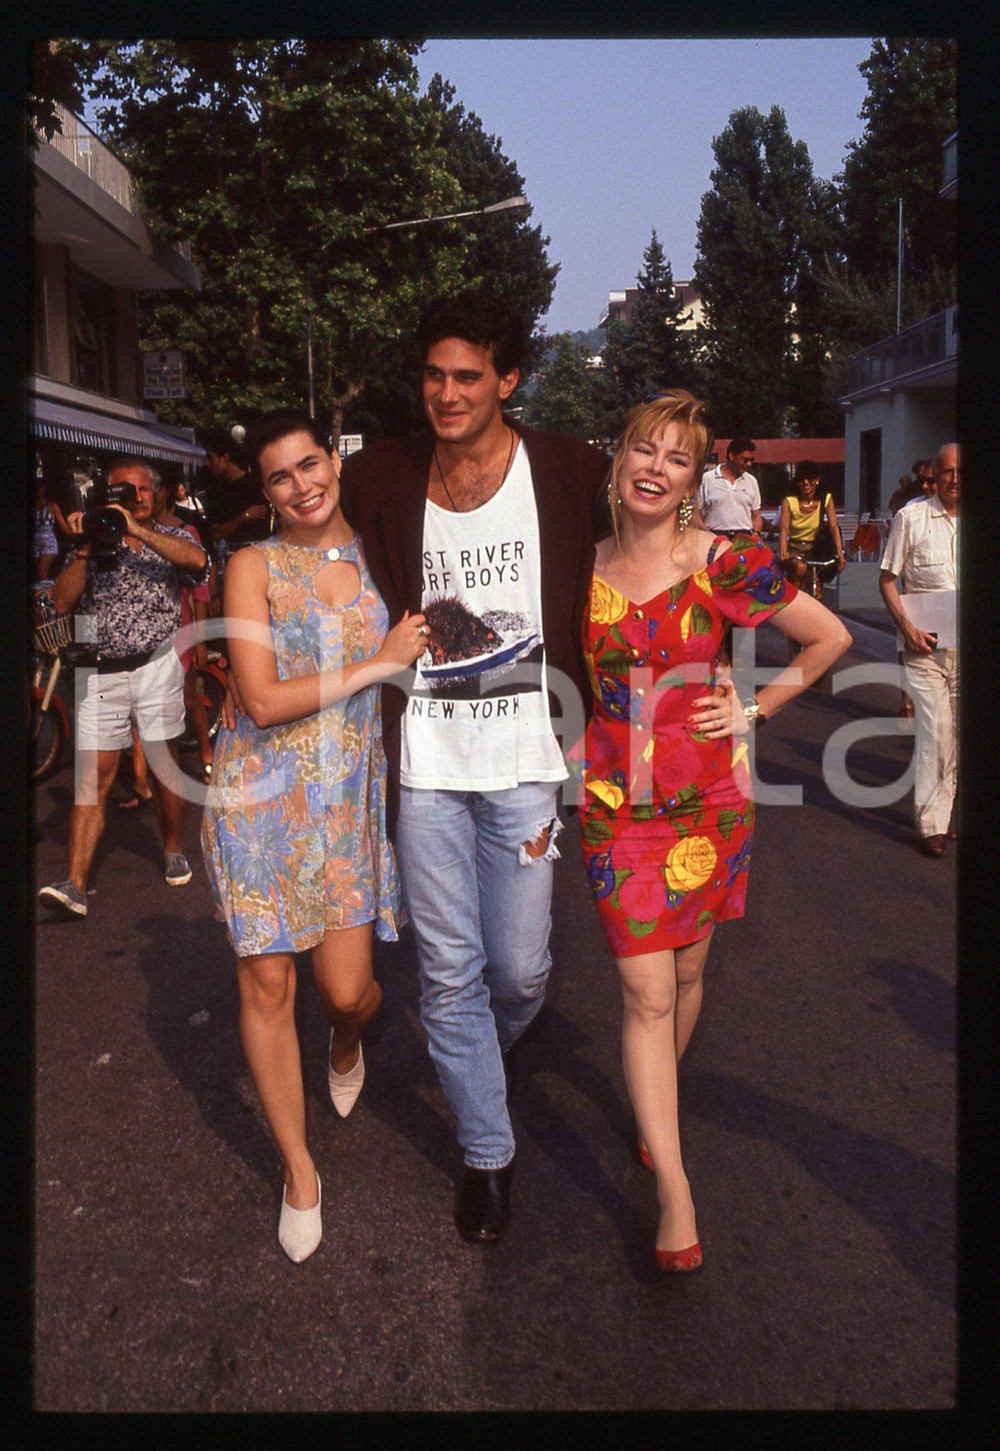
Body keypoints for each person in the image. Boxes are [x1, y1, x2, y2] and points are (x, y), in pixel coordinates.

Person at [339, 288, 609, 1245]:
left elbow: (642, 548)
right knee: (446, 970)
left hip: (530, 761)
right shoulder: (381, 475)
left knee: (523, 967)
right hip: (428, 768)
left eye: (467, 376)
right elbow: (311, 545)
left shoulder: (570, 470)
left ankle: (474, 1061)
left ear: (507, 379)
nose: (447, 394)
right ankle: (487, 1153)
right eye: (433, 375)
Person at [579, 390, 850, 1272]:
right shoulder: (575, 568)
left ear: (696, 478)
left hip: (708, 806)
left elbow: (829, 637)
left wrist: (753, 712)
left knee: (688, 971)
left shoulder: (722, 562)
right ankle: (676, 1187)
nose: (655, 468)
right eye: (643, 450)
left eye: (677, 458)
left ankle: (655, 1104)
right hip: (616, 807)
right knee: (646, 994)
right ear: (618, 459)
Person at [201, 412, 427, 1263]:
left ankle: (345, 1037)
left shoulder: (387, 551)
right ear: (263, 493)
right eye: (279, 477)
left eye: (309, 464)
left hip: (343, 802)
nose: (301, 485)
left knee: (345, 992)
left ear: (335, 460)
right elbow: (258, 698)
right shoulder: (252, 565)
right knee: (264, 983)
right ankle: (299, 1170)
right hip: (258, 798)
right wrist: (379, 662)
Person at [38, 458, 208, 918]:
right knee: (93, 776)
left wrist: (138, 529)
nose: (134, 498)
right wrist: (85, 548)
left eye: (141, 490)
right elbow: (60, 601)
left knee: (162, 765)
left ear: (155, 494)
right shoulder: (93, 538)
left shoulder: (174, 537)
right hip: (100, 669)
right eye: (121, 492)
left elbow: (198, 564)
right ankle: (74, 883)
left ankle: (172, 846)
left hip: (156, 665)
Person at [878, 443, 960, 857]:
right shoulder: (911, 518)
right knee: (935, 731)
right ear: (935, 474)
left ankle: (944, 812)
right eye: (947, 471)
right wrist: (907, 628)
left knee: (959, 734)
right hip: (924, 648)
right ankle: (931, 824)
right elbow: (887, 581)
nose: (955, 479)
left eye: (961, 471)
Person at [118, 472, 216, 808]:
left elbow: (200, 589)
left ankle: (206, 756)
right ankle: (140, 781)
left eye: (148, 489)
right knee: (138, 718)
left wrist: (200, 638)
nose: (143, 497)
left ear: (162, 494)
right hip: (145, 644)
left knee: (191, 698)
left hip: (182, 631)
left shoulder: (183, 532)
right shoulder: (122, 533)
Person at [776, 461, 846, 592]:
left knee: (817, 586)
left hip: (816, 549)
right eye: (802, 479)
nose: (806, 482)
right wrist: (783, 550)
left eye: (811, 478)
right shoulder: (790, 501)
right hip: (795, 548)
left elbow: (833, 527)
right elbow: (784, 529)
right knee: (800, 568)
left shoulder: (825, 499)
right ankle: (794, 600)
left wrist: (840, 552)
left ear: (817, 480)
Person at [202, 428, 272, 554]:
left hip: (262, 554)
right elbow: (215, 532)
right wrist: (244, 517)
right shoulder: (216, 491)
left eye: (210, 458)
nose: (207, 463)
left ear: (224, 458)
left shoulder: (257, 483)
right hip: (232, 554)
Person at [692, 434, 764, 537]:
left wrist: (756, 533)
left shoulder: (751, 481)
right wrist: (706, 534)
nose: (749, 464)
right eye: (745, 460)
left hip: (744, 538)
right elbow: (696, 513)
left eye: (751, 460)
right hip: (715, 536)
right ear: (732, 456)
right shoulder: (707, 479)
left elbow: (756, 515)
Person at [33, 478, 70, 581]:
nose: (37, 491)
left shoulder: (52, 506)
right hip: (35, 542)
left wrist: (72, 536)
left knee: (42, 572)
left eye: (39, 488)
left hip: (49, 541)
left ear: (44, 489)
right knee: (38, 574)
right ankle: (44, 594)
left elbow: (62, 524)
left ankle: (49, 596)